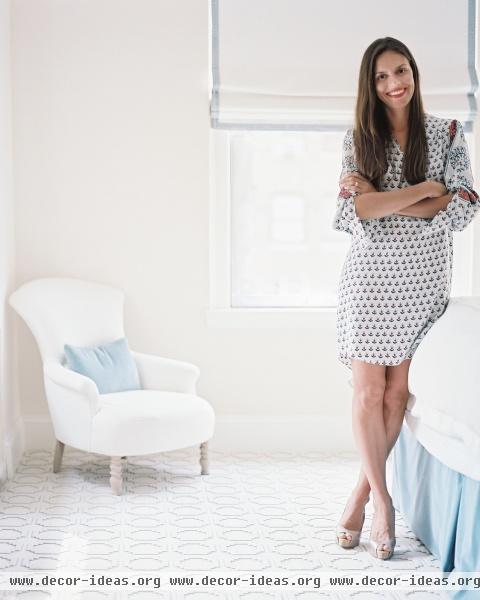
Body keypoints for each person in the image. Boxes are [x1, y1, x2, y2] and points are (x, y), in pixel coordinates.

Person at [332, 37, 480, 560]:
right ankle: (384, 507)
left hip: (422, 282)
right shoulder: (358, 140)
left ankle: (362, 492)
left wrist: (382, 198)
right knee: (369, 394)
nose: (394, 83)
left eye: (401, 71)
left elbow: (463, 205)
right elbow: (354, 214)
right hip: (370, 282)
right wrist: (423, 191)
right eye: (381, 76)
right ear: (369, 86)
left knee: (398, 395)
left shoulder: (447, 133)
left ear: (414, 73)